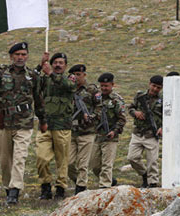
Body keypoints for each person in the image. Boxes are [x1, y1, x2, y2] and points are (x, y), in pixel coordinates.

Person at [0, 42, 45, 205]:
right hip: (4, 122)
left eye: (23, 54)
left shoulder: (32, 75)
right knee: (5, 160)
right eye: (17, 54)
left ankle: (14, 191)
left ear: (27, 56)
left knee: (20, 157)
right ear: (11, 56)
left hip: (24, 122)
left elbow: (38, 100)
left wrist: (43, 119)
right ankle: (7, 186)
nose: (20, 57)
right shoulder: (2, 71)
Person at [36, 52, 77, 200]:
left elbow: (70, 87)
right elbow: (32, 82)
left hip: (62, 126)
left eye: (61, 63)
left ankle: (60, 188)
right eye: (55, 62)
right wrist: (40, 65)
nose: (58, 65)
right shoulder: (45, 79)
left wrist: (51, 74)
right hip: (45, 125)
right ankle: (45, 186)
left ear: (65, 66)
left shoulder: (70, 79)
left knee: (62, 160)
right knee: (41, 158)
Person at [88, 73, 127, 188]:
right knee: (94, 165)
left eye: (106, 86)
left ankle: (104, 186)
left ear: (112, 85)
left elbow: (122, 119)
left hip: (110, 136)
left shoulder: (117, 100)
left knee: (106, 164)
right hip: (97, 135)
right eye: (102, 86)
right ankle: (110, 180)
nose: (104, 88)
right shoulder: (97, 98)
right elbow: (94, 112)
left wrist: (115, 131)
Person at [128, 75, 163, 188]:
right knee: (132, 158)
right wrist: (135, 113)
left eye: (158, 87)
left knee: (152, 161)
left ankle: (153, 183)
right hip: (138, 133)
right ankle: (144, 174)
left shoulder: (163, 100)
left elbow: (167, 116)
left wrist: (162, 127)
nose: (155, 89)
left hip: (152, 134)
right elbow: (130, 108)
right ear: (149, 84)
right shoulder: (140, 96)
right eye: (153, 86)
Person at [67, 64, 98, 195]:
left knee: (83, 163)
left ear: (84, 75)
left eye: (79, 74)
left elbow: (100, 107)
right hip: (72, 130)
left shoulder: (92, 90)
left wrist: (92, 116)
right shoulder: (69, 89)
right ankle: (77, 181)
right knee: (68, 163)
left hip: (87, 131)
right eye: (74, 75)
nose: (76, 77)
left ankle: (81, 187)